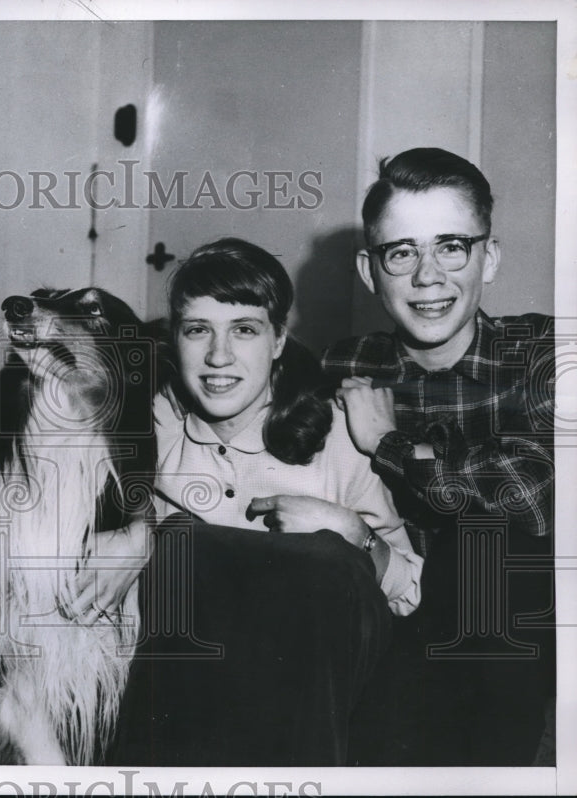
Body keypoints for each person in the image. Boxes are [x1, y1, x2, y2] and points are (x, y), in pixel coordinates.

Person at [110, 237, 420, 766]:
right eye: (197, 330)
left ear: (278, 340)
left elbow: (407, 592)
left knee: (321, 558)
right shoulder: (147, 427)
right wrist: (137, 536)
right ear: (175, 340)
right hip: (189, 697)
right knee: (183, 545)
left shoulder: (337, 435)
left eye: (245, 330)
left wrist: (351, 533)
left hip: (308, 700)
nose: (218, 356)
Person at [321, 147, 555, 766]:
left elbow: (530, 498)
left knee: (491, 541)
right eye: (402, 252)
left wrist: (387, 443)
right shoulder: (341, 367)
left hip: (502, 644)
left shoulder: (543, 354)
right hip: (387, 622)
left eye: (451, 246)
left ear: (490, 257)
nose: (428, 276)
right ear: (370, 271)